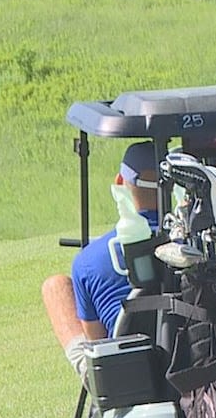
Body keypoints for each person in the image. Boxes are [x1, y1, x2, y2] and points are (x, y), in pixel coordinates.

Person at [42, 141, 161, 378]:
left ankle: (88, 373)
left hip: (122, 378)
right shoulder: (192, 243)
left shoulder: (88, 261)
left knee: (54, 286)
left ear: (120, 182)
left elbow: (96, 340)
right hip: (191, 367)